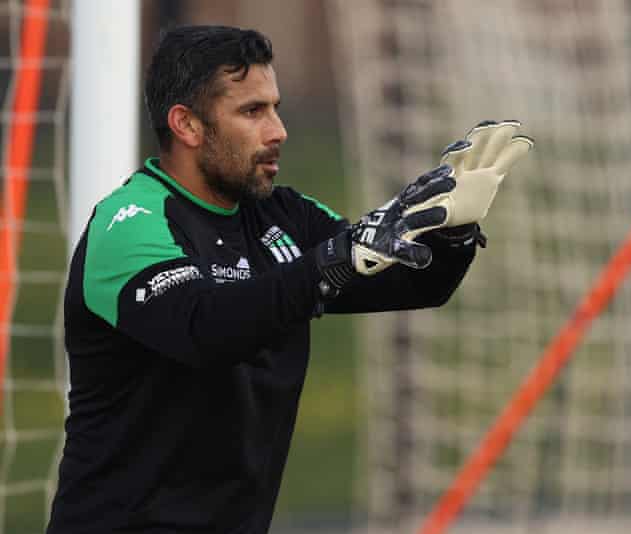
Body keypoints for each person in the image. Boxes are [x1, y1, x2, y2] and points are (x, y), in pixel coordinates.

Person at [47, 25, 532, 533]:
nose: (278, 130)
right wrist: (330, 262)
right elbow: (202, 329)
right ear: (187, 125)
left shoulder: (284, 217)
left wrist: (451, 229)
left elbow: (415, 283)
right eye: (252, 111)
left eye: (275, 107)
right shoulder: (132, 222)